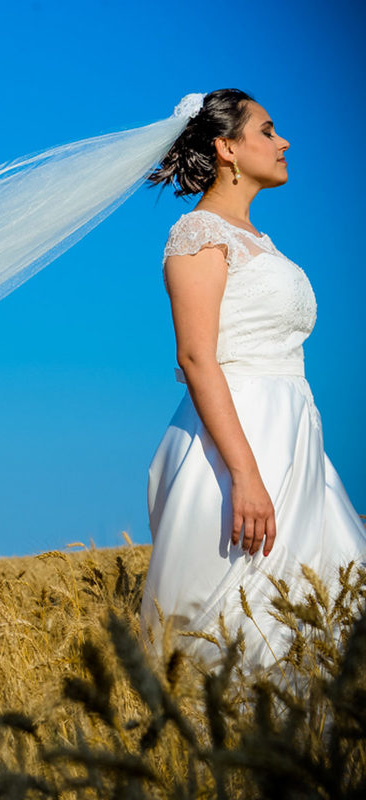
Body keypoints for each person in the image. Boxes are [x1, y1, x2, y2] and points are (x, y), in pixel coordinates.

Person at [141, 88, 366, 673]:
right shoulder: (197, 237)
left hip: (294, 436)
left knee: (335, 601)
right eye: (267, 130)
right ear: (226, 148)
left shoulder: (257, 241)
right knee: (240, 633)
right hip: (237, 443)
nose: (283, 141)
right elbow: (196, 358)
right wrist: (244, 475)